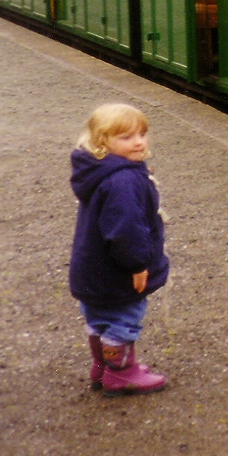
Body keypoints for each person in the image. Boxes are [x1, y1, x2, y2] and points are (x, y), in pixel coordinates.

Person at [69, 103, 169, 396]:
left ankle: (103, 367)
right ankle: (122, 374)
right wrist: (138, 265)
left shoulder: (98, 172)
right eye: (126, 137)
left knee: (99, 318)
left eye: (142, 134)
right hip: (118, 271)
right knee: (123, 320)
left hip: (92, 268)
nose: (138, 142)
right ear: (103, 142)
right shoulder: (123, 180)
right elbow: (126, 231)